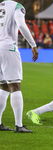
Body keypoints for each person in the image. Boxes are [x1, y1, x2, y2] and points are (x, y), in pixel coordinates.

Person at [0, 0, 38, 132]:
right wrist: (33, 44)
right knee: (15, 85)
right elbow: (21, 25)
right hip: (8, 48)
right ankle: (19, 125)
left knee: (3, 86)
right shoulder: (17, 6)